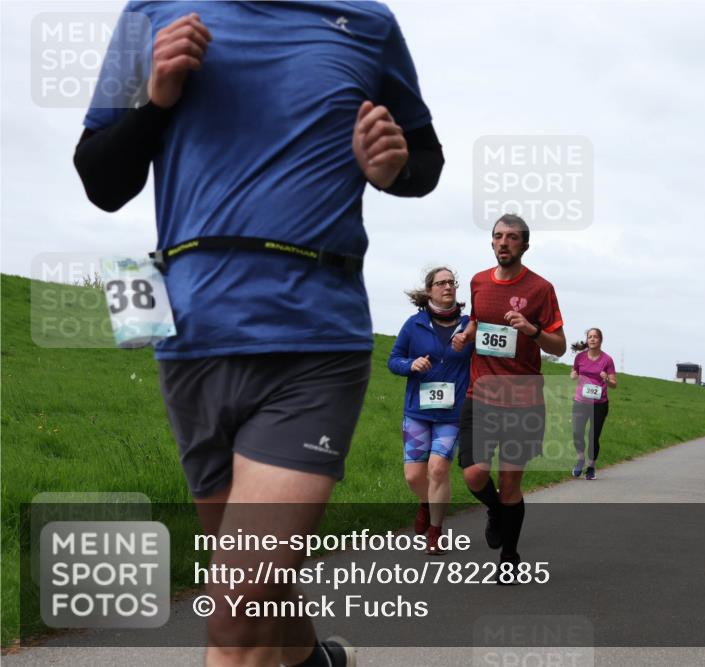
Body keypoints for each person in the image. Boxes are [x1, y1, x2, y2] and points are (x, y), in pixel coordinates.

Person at [74, 5, 443, 666]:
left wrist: (395, 169)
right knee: (255, 581)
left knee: (237, 615)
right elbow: (101, 181)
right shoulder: (152, 13)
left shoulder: (367, 21)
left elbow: (426, 159)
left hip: (313, 343)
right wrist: (156, 101)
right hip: (191, 341)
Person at [451, 214, 566, 579]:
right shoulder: (479, 281)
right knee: (474, 474)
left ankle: (510, 558)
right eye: (498, 236)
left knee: (511, 482)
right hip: (481, 394)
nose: (504, 242)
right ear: (492, 242)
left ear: (524, 245)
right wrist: (466, 334)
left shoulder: (541, 289)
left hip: (522, 400)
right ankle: (496, 511)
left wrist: (532, 330)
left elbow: (559, 346)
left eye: (512, 237)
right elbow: (477, 320)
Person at [388, 268, 471, 555]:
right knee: (414, 476)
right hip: (418, 412)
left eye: (451, 282)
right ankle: (426, 503)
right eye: (441, 283)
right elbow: (393, 360)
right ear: (429, 291)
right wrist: (410, 365)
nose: (448, 287)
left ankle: (435, 532)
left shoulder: (468, 326)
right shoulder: (414, 324)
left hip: (452, 413)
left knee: (437, 468)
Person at [569, 328, 617, 480]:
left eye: (595, 337)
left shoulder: (607, 360)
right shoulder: (580, 357)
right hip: (580, 401)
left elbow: (614, 384)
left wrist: (606, 379)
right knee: (577, 432)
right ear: (587, 340)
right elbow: (574, 373)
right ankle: (580, 459)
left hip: (599, 403)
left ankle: (591, 466)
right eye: (590, 337)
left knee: (593, 436)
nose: (592, 339)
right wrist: (573, 375)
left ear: (600, 340)